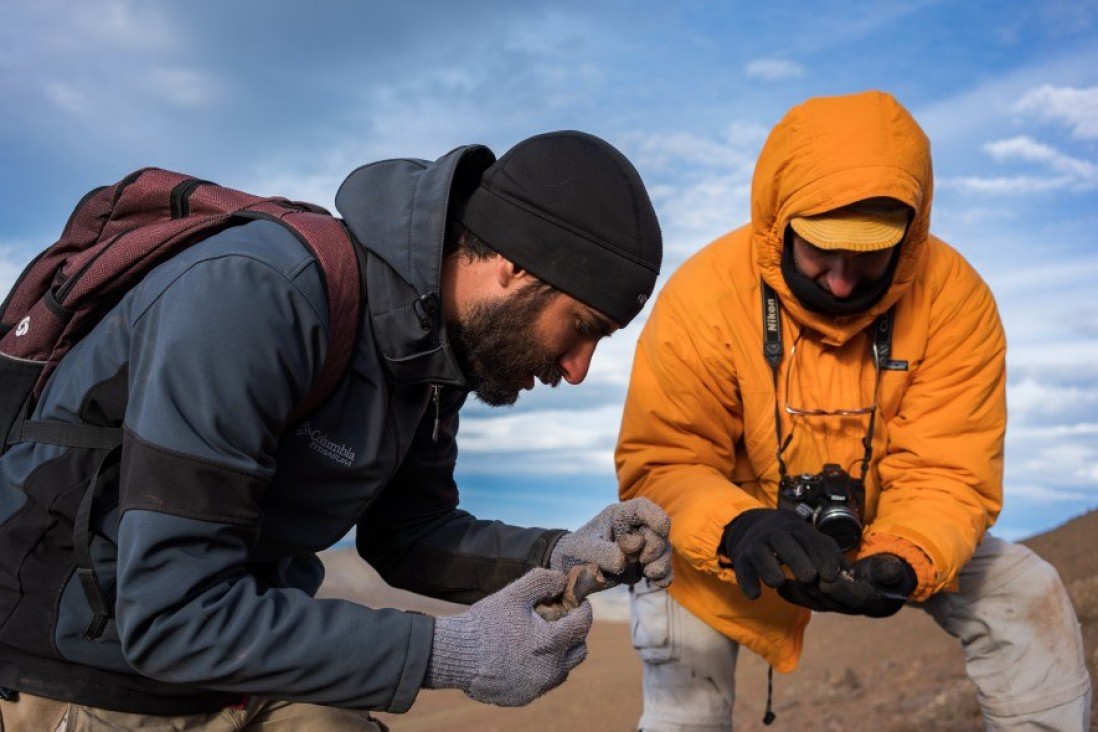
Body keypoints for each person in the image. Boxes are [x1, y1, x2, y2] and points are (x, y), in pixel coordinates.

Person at [0, 130, 672, 730]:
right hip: (84, 675)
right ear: (517, 266)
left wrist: (558, 554)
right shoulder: (257, 297)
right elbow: (172, 615)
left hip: (236, 671)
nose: (579, 369)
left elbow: (407, 537)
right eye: (582, 326)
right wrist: (450, 652)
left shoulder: (431, 355)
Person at [617, 91, 1091, 731]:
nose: (841, 281)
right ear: (777, 222)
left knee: (1026, 592)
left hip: (889, 530)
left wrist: (905, 555)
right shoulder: (701, 300)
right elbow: (662, 462)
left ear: (910, 233)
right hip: (732, 547)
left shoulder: (954, 300)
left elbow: (950, 472)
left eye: (868, 253)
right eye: (820, 250)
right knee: (684, 705)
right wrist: (737, 529)